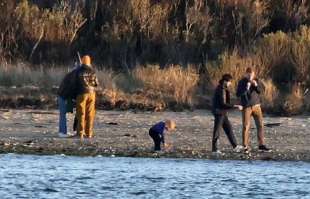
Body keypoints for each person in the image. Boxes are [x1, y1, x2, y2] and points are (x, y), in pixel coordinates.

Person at [236, 67, 271, 153]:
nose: (250, 77)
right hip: (246, 107)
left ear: (254, 74)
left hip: (256, 106)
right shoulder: (242, 82)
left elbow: (260, 91)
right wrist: (246, 88)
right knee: (246, 126)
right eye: (248, 75)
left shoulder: (256, 80)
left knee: (260, 125)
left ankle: (261, 145)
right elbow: (238, 94)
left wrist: (255, 85)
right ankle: (245, 146)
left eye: (252, 75)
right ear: (245, 74)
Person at [211, 74, 243, 154]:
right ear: (225, 81)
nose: (230, 83)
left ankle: (235, 146)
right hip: (219, 112)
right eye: (229, 82)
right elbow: (223, 103)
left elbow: (225, 103)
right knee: (217, 131)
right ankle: (214, 149)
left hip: (223, 112)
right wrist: (235, 106)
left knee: (228, 128)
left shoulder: (224, 88)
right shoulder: (221, 89)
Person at [76, 55, 99, 139]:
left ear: (82, 61)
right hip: (92, 93)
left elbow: (75, 83)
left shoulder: (79, 71)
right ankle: (89, 133)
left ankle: (80, 133)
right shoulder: (93, 71)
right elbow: (96, 83)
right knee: (90, 114)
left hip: (81, 93)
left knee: (81, 113)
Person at [57, 63, 80, 138]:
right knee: (63, 114)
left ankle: (64, 131)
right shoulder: (73, 76)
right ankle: (62, 132)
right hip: (63, 96)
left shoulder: (72, 75)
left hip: (65, 96)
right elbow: (71, 89)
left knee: (64, 114)